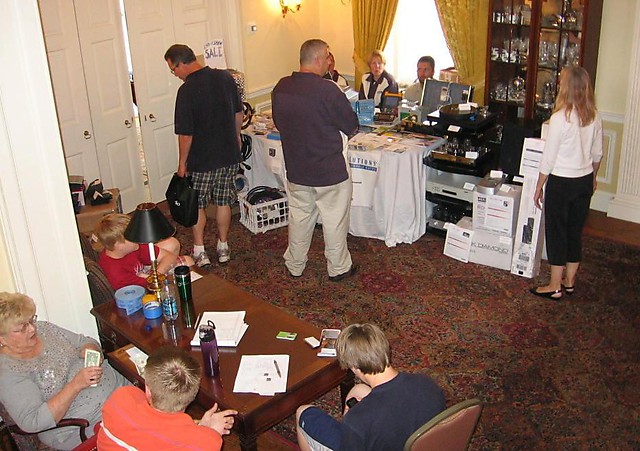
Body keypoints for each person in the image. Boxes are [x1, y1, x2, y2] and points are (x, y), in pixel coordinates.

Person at [272, 39, 359, 282]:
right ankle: (338, 267)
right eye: (327, 58)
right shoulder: (328, 90)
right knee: (334, 220)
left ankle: (295, 263)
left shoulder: (281, 87)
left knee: (299, 218)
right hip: (329, 171)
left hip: (297, 169)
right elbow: (351, 125)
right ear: (319, 59)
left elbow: (280, 124)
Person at [0, 293, 128, 450]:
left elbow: (85, 341)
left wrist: (90, 351)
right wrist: (76, 385)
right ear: (2, 339)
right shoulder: (9, 373)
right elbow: (33, 422)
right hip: (85, 424)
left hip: (120, 389)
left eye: (31, 319)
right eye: (22, 328)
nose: (33, 328)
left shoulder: (45, 329)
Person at [296, 323, 445, 451]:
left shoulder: (358, 419)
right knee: (359, 390)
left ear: (354, 366)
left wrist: (352, 424)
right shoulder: (428, 384)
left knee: (302, 412)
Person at [164, 44, 243, 267]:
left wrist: (182, 165)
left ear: (181, 63)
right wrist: (236, 137)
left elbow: (185, 134)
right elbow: (239, 113)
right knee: (223, 201)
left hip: (202, 159)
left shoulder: (186, 91)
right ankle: (223, 246)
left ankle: (200, 250)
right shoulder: (225, 78)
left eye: (173, 70)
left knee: (197, 204)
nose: (175, 75)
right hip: (228, 154)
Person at [530, 66, 603, 300]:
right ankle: (569, 281)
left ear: (566, 88)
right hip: (583, 181)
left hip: (561, 182)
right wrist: (592, 177)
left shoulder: (560, 118)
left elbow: (549, 158)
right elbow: (597, 154)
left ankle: (554, 285)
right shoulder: (594, 116)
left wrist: (539, 184)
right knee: (574, 231)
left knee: (557, 232)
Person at [98, 346, 236, 450]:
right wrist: (211, 432)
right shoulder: (206, 442)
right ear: (193, 396)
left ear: (148, 389)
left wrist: (200, 426)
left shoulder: (121, 398)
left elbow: (154, 428)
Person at [94, 213, 193, 291]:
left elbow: (170, 256)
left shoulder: (132, 246)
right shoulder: (117, 274)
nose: (138, 236)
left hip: (145, 276)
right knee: (188, 264)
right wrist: (158, 277)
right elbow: (148, 289)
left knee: (172, 243)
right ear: (118, 244)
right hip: (140, 290)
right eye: (132, 235)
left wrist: (156, 274)